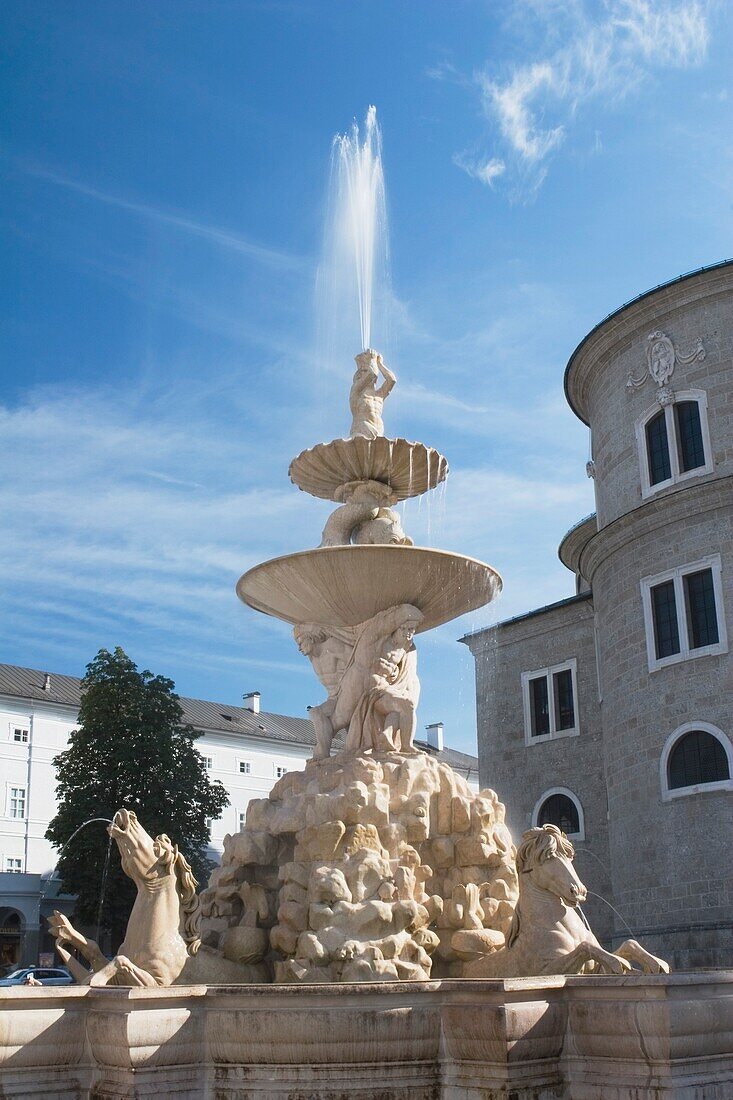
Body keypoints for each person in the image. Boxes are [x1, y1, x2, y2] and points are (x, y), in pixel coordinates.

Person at [349, 349, 396, 439]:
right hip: (361, 427)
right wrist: (372, 359)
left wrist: (380, 364)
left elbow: (392, 380)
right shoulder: (356, 391)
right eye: (364, 372)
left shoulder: (379, 395)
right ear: (359, 376)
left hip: (378, 428)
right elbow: (372, 374)